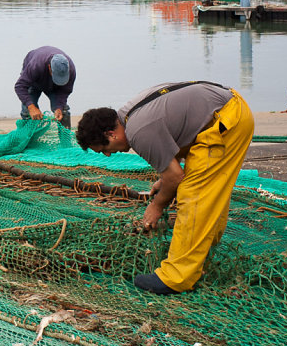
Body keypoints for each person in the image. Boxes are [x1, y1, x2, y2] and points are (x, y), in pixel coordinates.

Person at [75, 81, 254, 295]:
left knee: (194, 195)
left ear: (111, 134)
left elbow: (175, 176)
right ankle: (200, 258)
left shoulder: (138, 132)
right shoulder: (128, 115)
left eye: (104, 148)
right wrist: (164, 177)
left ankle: (176, 278)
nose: (107, 154)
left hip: (227, 121)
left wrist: (157, 205)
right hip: (228, 110)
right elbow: (172, 132)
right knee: (211, 194)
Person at [14, 46, 75, 128]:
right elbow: (20, 86)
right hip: (34, 81)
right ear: (49, 67)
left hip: (55, 87)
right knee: (28, 112)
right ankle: (30, 138)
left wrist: (59, 107)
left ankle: (65, 138)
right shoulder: (35, 65)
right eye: (56, 76)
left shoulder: (71, 70)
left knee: (63, 112)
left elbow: (65, 91)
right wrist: (31, 107)